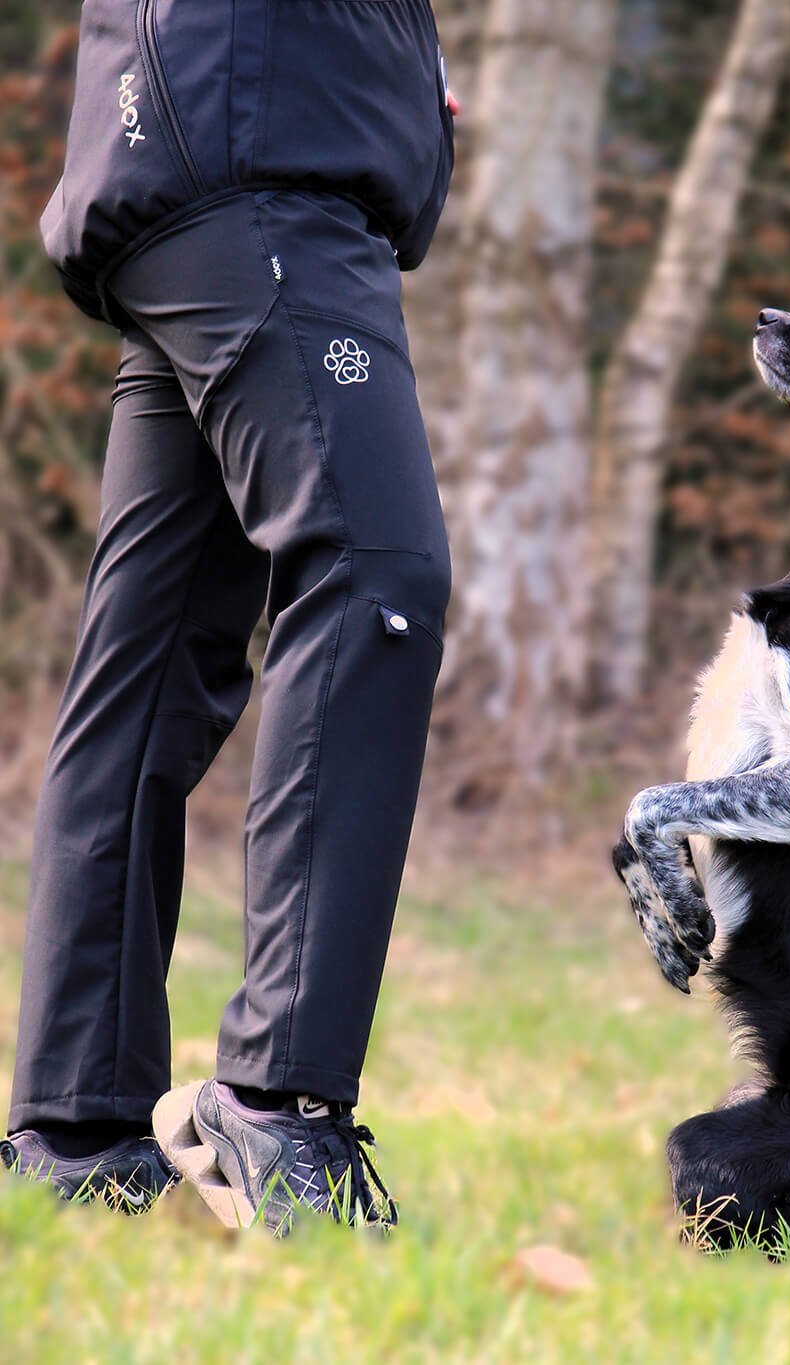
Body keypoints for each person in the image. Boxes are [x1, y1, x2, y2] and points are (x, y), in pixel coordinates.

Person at [1, 0, 456, 1232]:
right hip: (257, 163)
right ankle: (278, 1097)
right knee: (378, 582)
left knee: (145, 668)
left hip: (196, 158)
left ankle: (74, 1122)